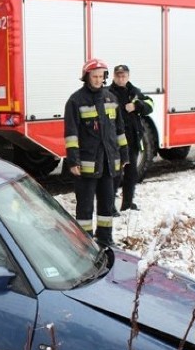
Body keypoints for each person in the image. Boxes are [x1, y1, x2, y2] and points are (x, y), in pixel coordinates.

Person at [64, 58, 127, 248]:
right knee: (85, 206)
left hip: (108, 164)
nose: (99, 80)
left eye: (101, 76)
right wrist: (73, 161)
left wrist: (124, 156)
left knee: (107, 204)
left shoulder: (111, 98)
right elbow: (71, 134)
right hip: (86, 165)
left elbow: (119, 130)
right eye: (95, 76)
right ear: (87, 77)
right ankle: (85, 242)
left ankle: (105, 239)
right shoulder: (76, 101)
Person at [108, 64, 153, 212]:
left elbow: (150, 105)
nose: (121, 79)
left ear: (128, 77)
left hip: (132, 140)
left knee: (131, 173)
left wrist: (137, 106)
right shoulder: (108, 93)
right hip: (115, 141)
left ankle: (127, 203)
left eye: (124, 76)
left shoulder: (134, 92)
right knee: (115, 174)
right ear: (114, 77)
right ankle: (110, 206)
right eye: (118, 76)